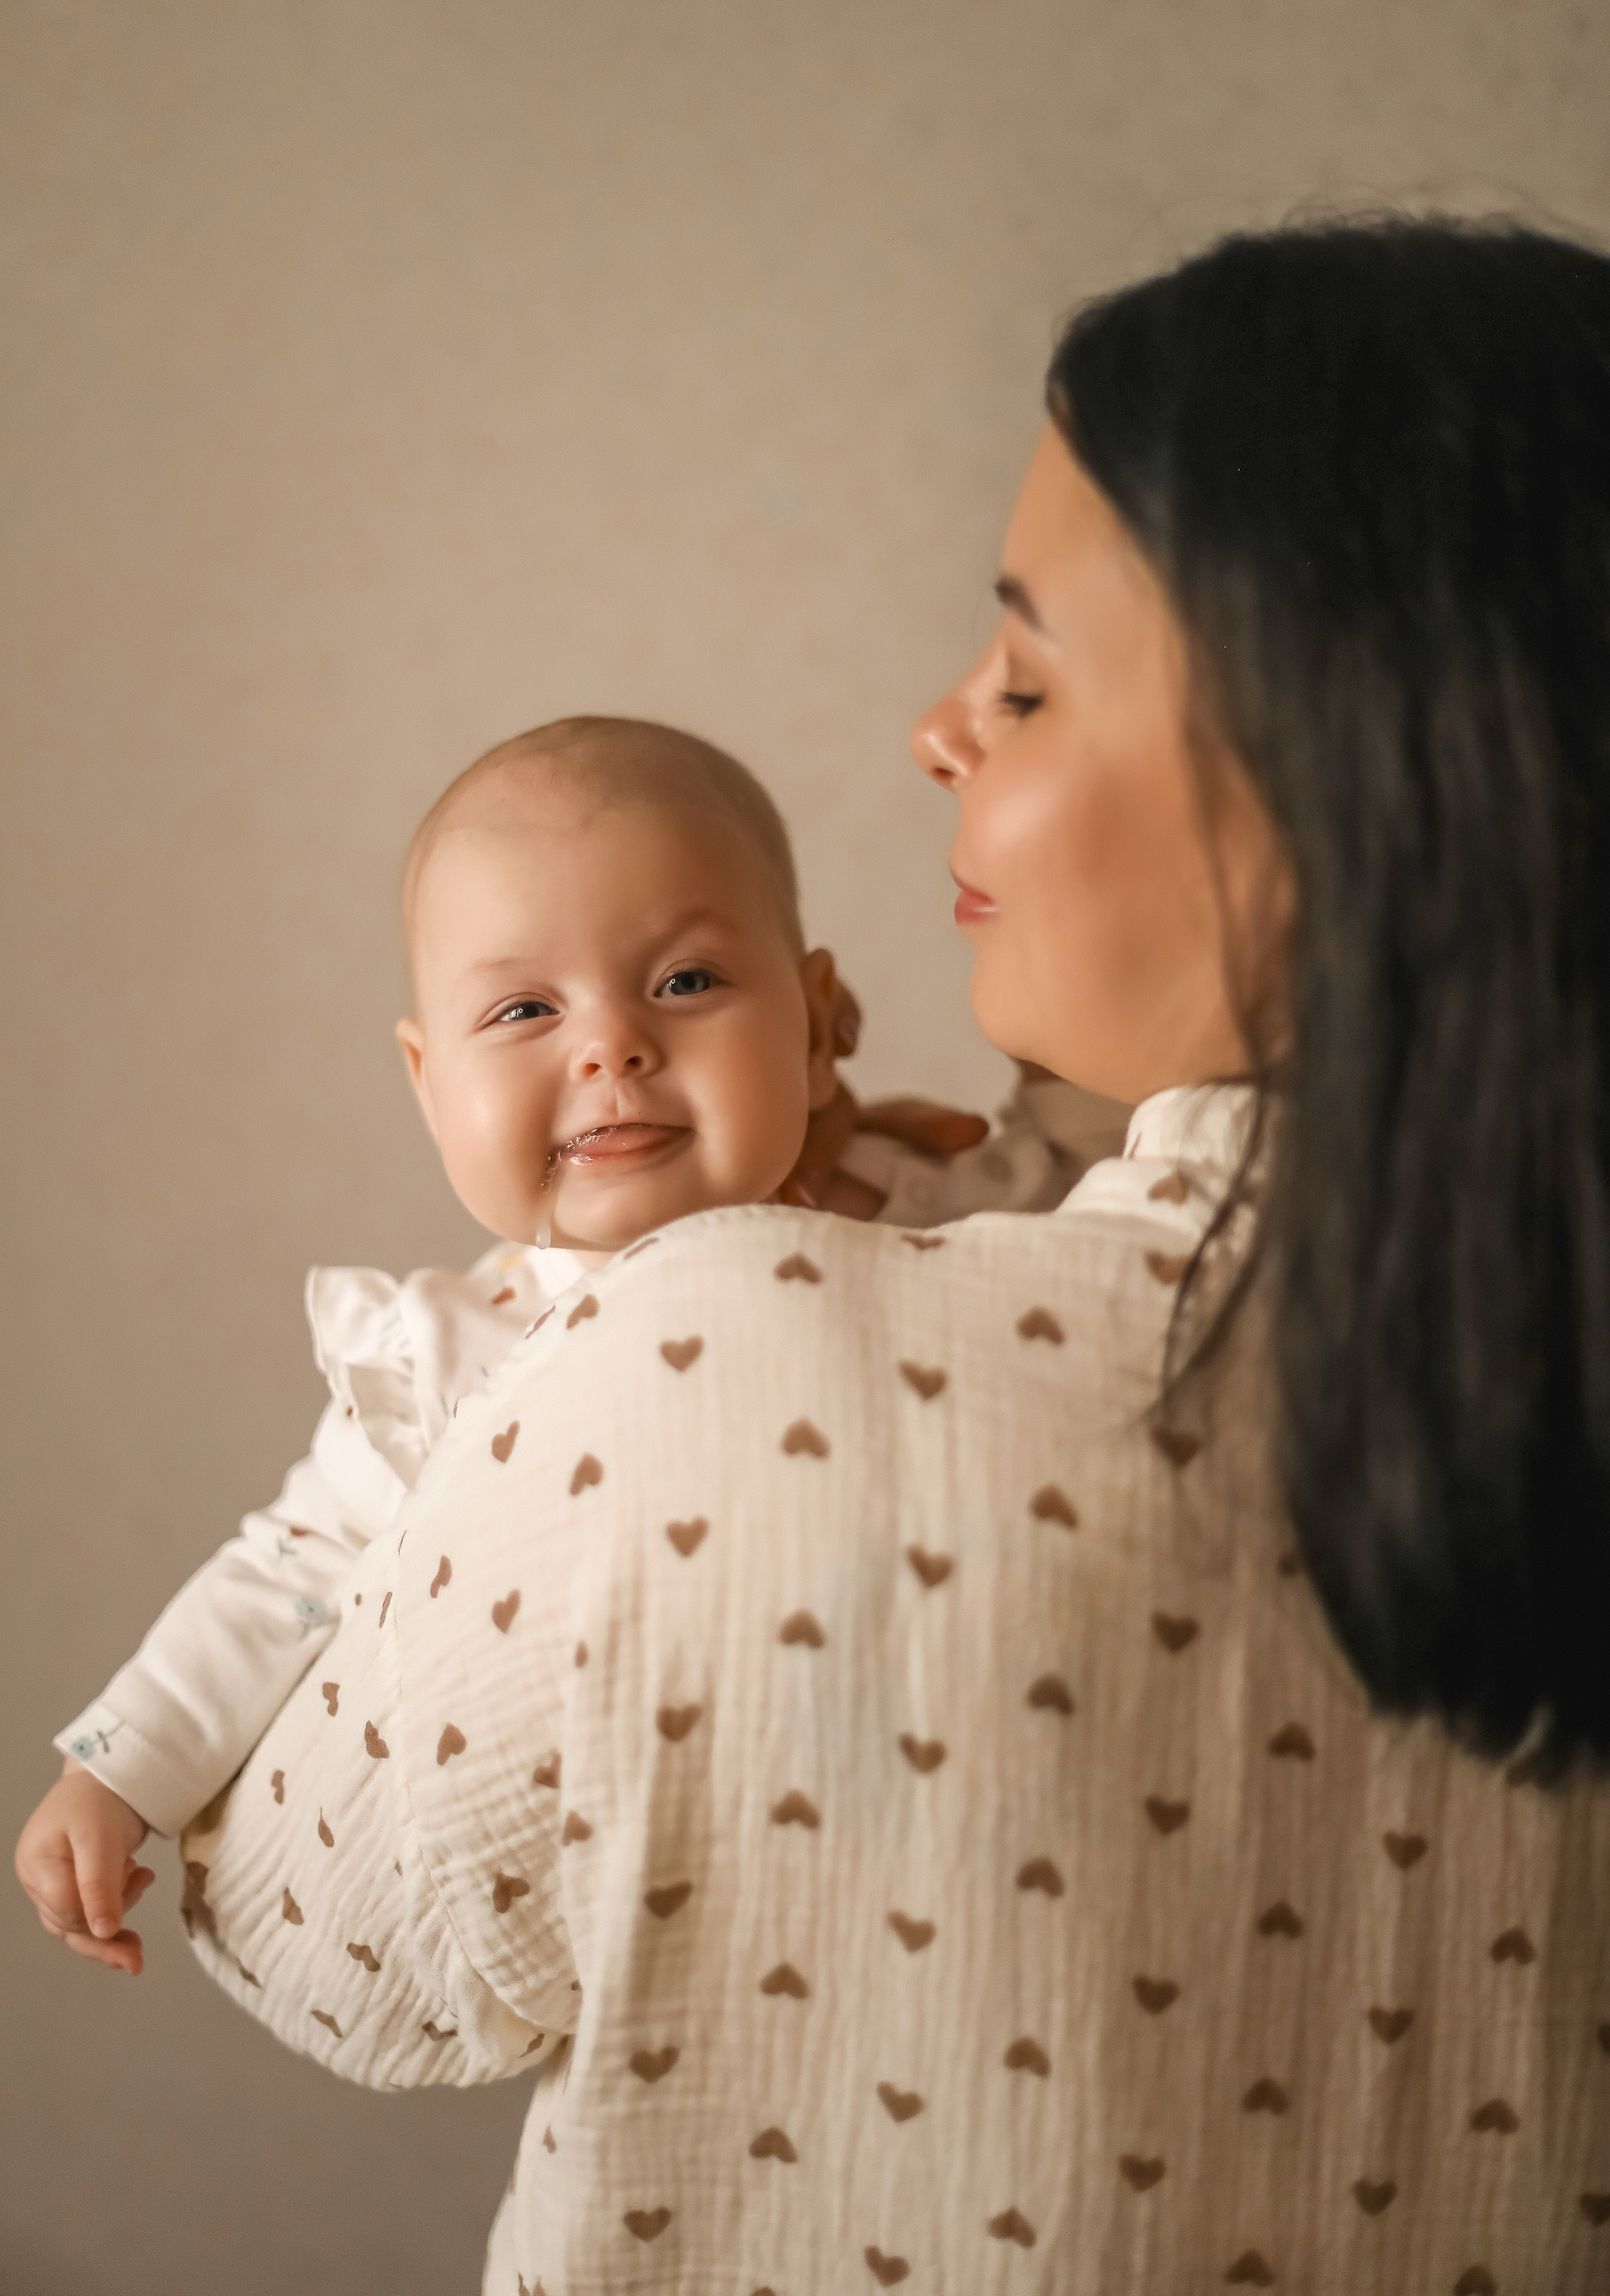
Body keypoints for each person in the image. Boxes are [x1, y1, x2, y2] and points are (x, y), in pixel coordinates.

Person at [101, 223, 1610, 2288]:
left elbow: (328, 1941)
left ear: (1342, 775)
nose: (935, 730)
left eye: (1023, 675)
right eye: (520, 1013)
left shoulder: (710, 1371)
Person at [14, 716, 1122, 1972]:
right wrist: (121, 1770)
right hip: (705, 1909)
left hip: (994, 1806)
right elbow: (290, 1569)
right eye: (524, 1008)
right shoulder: (456, 1355)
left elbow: (1127, 1216)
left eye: (684, 983)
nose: (610, 1046)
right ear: (430, 1086)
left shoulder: (924, 1195)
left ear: (816, 1030)